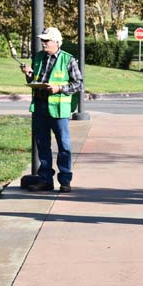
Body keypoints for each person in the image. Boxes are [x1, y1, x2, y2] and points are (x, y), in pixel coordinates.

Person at [20, 27, 83, 193]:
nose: (44, 43)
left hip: (59, 109)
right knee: (42, 144)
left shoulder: (68, 59)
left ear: (56, 42)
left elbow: (78, 84)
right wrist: (28, 74)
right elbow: (36, 78)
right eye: (43, 40)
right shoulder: (39, 57)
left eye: (47, 40)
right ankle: (45, 180)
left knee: (64, 145)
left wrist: (59, 88)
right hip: (40, 106)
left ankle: (65, 180)